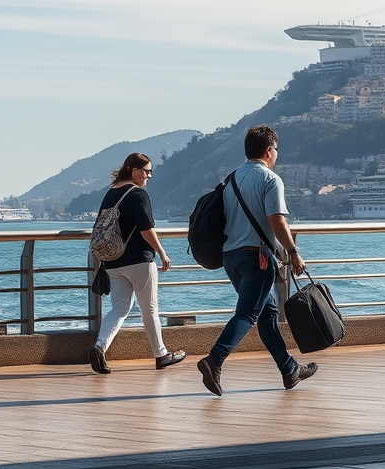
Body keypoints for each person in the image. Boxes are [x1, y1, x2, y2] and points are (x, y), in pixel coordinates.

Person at [197, 125, 317, 396]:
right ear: (268, 150)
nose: (276, 154)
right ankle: (214, 359)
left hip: (232, 258)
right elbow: (276, 219)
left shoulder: (232, 178)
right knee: (249, 314)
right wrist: (293, 252)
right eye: (276, 150)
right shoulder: (270, 179)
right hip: (258, 258)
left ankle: (289, 370)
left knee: (267, 316)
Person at [89, 152, 186, 374]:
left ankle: (99, 347)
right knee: (150, 308)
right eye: (146, 171)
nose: (149, 176)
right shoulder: (138, 194)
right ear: (134, 171)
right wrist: (162, 253)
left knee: (119, 309)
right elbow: (146, 229)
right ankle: (161, 354)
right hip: (139, 261)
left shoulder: (110, 194)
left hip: (113, 262)